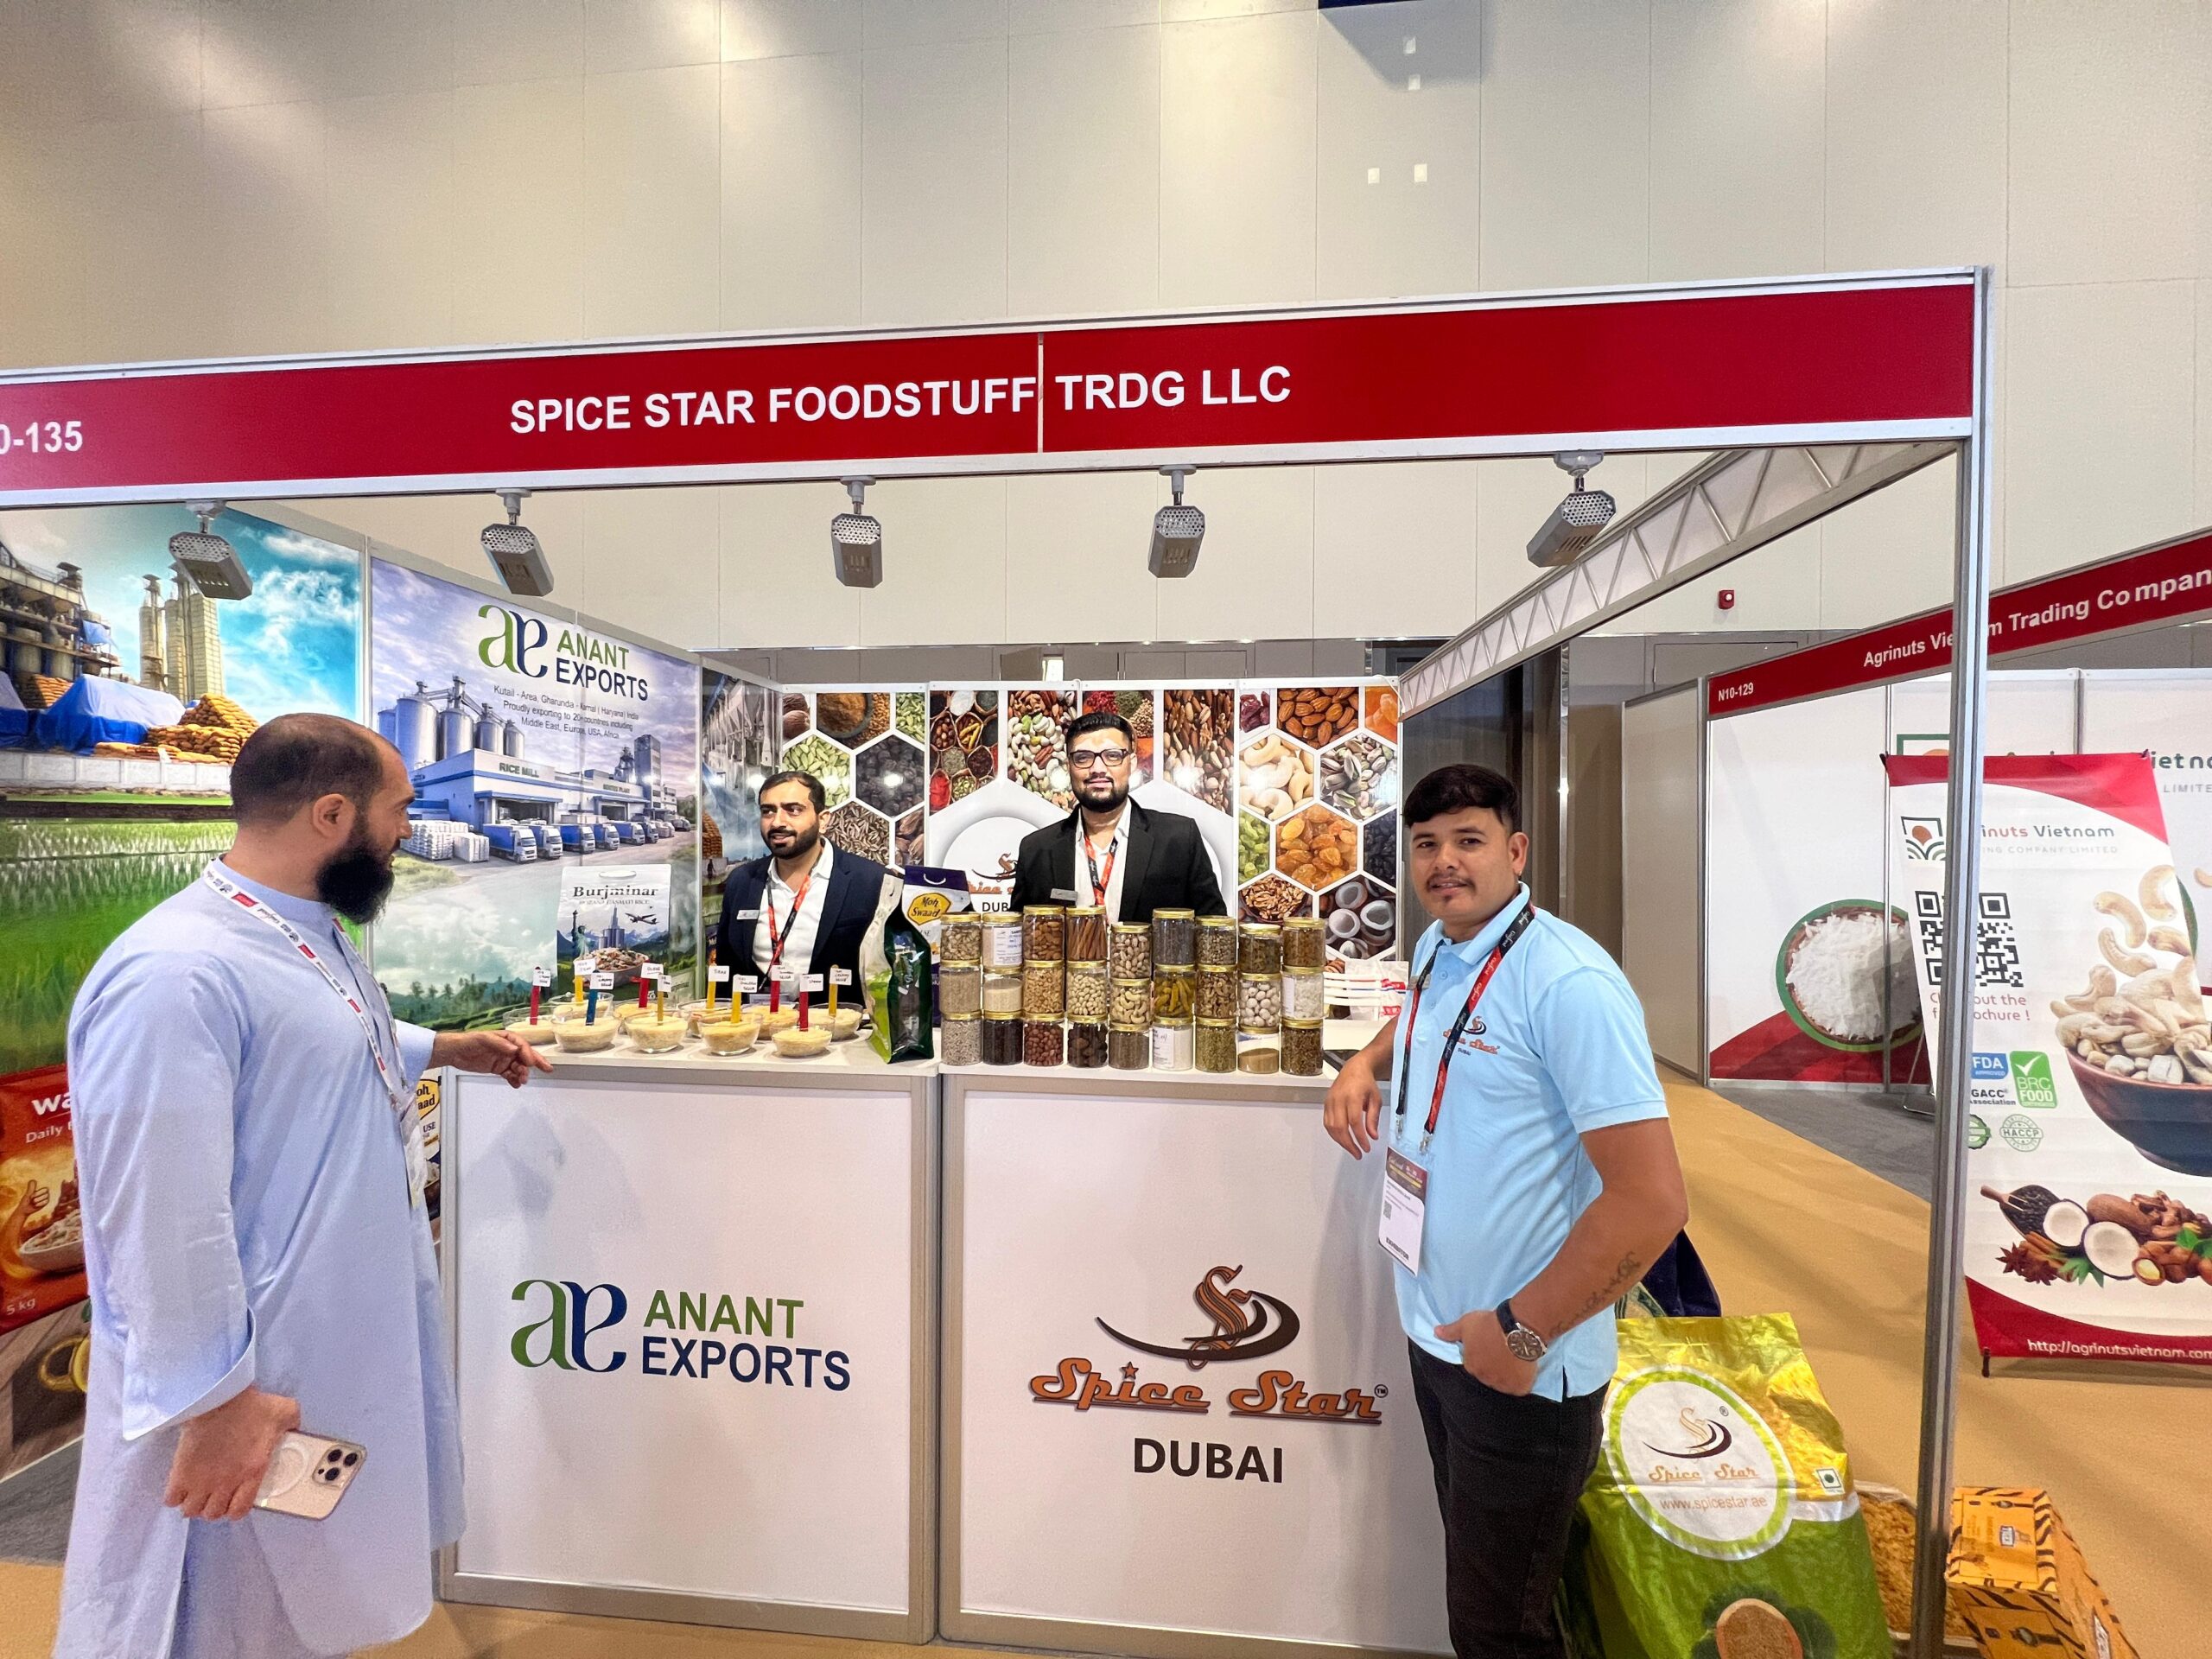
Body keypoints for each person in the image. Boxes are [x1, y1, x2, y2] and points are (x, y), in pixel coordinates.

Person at [57, 713, 552, 1659]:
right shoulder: (175, 975)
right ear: (333, 814)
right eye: (399, 809)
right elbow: (158, 1211)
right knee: (221, 1610)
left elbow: (323, 1031)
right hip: (245, 1385)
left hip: (323, 1345)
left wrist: (449, 1048)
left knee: (309, 1600)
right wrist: (214, 1401)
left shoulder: (299, 931)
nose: (407, 830)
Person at [1323, 763, 1688, 1659]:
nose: (1444, 862)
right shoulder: (1439, 947)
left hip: (1523, 1360)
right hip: (1443, 1330)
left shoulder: (1568, 982)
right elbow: (1425, 1020)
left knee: (1498, 1630)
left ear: (1517, 851)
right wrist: (1365, 1061)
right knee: (1491, 1600)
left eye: (1469, 840)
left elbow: (1651, 1201)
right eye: (1426, 845)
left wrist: (1520, 1333)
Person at [1007, 709, 1226, 921]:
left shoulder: (1179, 839)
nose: (1098, 768)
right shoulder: (1036, 850)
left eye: (1112, 756)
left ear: (1132, 763)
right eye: (1083, 758)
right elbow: (1018, 935)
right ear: (1069, 767)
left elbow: (1213, 927)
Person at [714, 769, 891, 990]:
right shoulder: (742, 881)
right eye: (768, 811)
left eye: (793, 810)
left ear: (822, 820)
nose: (777, 822)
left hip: (837, 1012)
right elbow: (727, 966)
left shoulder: (872, 882)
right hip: (759, 1011)